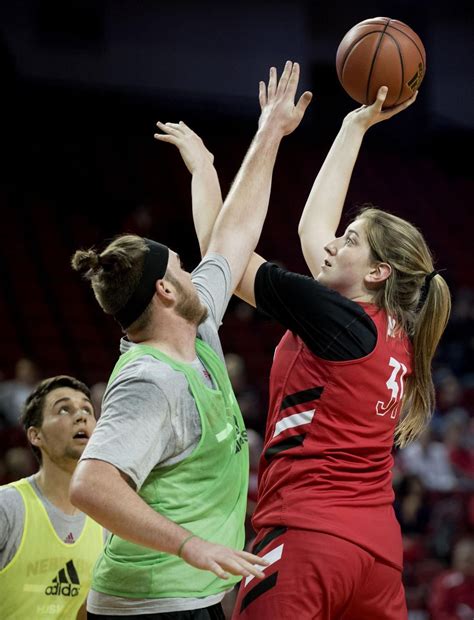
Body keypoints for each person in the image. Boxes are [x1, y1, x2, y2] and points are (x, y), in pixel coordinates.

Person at [161, 85, 451, 619]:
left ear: (376, 272)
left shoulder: (335, 318)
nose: (334, 242)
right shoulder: (397, 330)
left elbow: (224, 258)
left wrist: (205, 171)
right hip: (377, 557)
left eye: (351, 239)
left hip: (310, 537)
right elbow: (311, 228)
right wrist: (353, 127)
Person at [69, 61, 312, 619]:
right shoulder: (150, 381)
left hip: (189, 595)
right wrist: (189, 544)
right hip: (150, 604)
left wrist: (264, 133)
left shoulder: (195, 324)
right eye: (181, 265)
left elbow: (233, 233)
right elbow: (90, 485)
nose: (194, 268)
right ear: (164, 291)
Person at [0, 375, 103, 620]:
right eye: (64, 409)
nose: (81, 416)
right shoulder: (7, 507)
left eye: (87, 409)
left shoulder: (107, 520)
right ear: (36, 436)